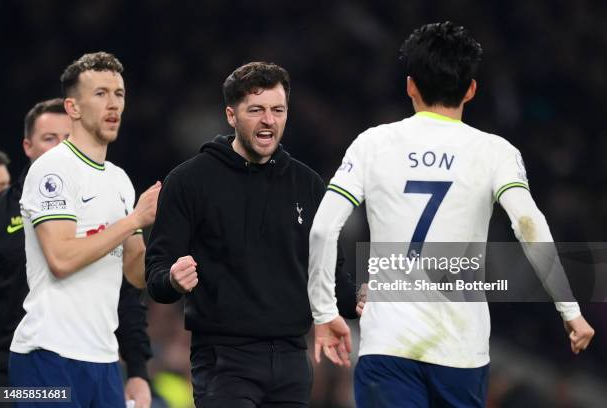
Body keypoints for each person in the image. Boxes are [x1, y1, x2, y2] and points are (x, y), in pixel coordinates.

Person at [308, 22, 595, 407]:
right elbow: (530, 226)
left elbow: (323, 230)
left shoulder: (372, 144)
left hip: (388, 345)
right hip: (460, 349)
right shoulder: (494, 152)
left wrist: (325, 312)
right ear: (471, 89)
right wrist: (570, 309)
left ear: (410, 85)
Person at [145, 61, 357, 408]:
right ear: (231, 115)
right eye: (256, 110)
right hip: (223, 362)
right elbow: (155, 273)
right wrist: (171, 279)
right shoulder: (188, 181)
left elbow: (330, 275)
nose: (268, 121)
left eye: (278, 110)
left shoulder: (308, 185)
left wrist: (357, 300)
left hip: (291, 359)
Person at [7, 53, 161, 407]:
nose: (113, 104)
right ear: (73, 108)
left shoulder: (120, 180)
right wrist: (133, 221)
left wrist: (171, 247)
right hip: (46, 356)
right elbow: (61, 258)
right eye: (101, 93)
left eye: (119, 94)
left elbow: (135, 275)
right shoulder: (53, 170)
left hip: (104, 359)